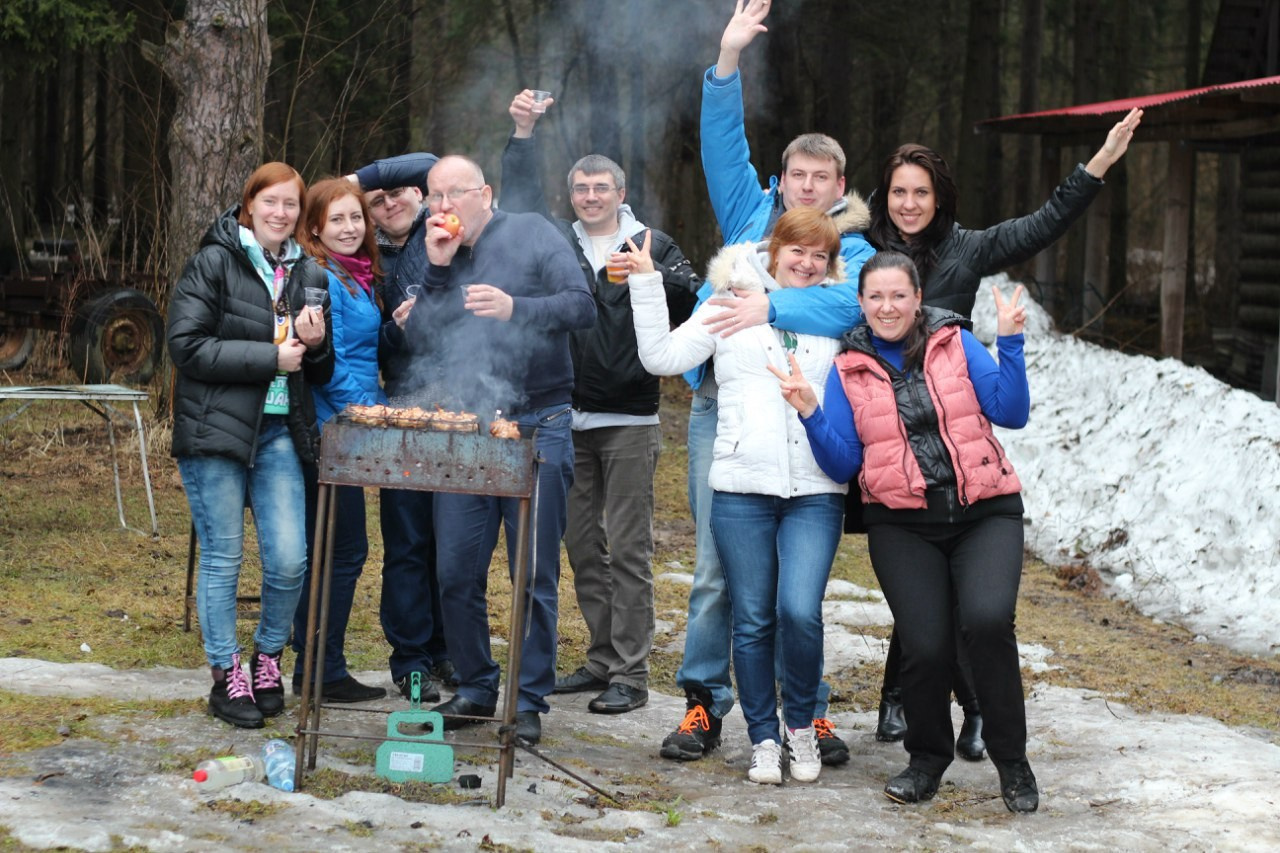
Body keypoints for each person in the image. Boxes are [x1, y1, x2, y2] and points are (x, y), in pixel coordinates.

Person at [865, 106, 1144, 749]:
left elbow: (1043, 223)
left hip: (954, 433)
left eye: (922, 192)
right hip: (885, 435)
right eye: (900, 192)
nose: (910, 204)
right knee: (921, 586)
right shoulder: (864, 252)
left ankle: (932, 703)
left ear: (940, 198)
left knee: (959, 586)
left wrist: (1097, 164)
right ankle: (916, 698)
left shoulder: (969, 249)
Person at [661, 0, 873, 768]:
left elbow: (854, 305)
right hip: (727, 410)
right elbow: (721, 147)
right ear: (781, 182)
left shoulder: (854, 246)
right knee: (722, 570)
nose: (807, 189)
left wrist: (770, 302)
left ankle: (804, 714)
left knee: (797, 590)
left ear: (840, 186)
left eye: (823, 179)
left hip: (807, 421)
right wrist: (727, 61)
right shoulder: (752, 213)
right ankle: (702, 703)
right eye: (797, 176)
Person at [773, 250, 1038, 812]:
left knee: (987, 622)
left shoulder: (956, 341)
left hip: (983, 512)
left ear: (918, 299)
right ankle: (926, 760)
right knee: (924, 643)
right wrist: (810, 412)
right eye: (875, 297)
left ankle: (1012, 762)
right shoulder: (848, 366)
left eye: (898, 295)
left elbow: (1011, 412)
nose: (887, 306)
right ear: (861, 303)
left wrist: (1009, 343)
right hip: (902, 523)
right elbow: (845, 465)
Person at [629, 207, 847, 785]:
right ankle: (764, 738)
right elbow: (662, 358)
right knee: (751, 619)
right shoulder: (728, 302)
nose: (805, 263)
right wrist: (648, 284)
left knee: (799, 612)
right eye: (795, 250)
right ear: (774, 250)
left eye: (818, 255)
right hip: (740, 489)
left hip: (815, 490)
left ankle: (801, 726)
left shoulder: (837, 311)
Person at [500, 90, 700, 715]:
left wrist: (650, 275)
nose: (591, 197)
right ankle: (600, 658)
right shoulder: (554, 241)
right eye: (581, 188)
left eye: (601, 188)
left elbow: (695, 304)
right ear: (571, 195)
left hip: (631, 419)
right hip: (562, 418)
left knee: (631, 549)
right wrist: (523, 137)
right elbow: (518, 203)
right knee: (583, 545)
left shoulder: (652, 243)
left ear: (620, 192)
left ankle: (632, 673)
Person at [401, 154, 596, 745]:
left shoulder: (534, 231)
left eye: (452, 195)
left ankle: (529, 697)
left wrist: (518, 309)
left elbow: (583, 305)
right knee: (455, 569)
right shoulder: (434, 249)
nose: (442, 209)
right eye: (433, 198)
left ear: (483, 193)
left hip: (541, 422)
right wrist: (435, 271)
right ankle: (478, 685)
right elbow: (425, 339)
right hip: (467, 427)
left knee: (532, 572)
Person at [167, 162, 334, 729]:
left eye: (291, 205)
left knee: (289, 559)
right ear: (250, 204)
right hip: (216, 429)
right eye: (271, 202)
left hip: (280, 431)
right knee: (223, 558)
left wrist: (313, 346)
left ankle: (267, 659)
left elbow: (320, 363)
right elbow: (186, 347)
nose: (281, 213)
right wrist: (271, 357)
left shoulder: (308, 271)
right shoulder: (214, 261)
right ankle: (226, 674)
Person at [345, 153, 457, 702]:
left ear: (421, 194)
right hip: (403, 410)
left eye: (397, 192)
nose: (388, 202)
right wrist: (393, 328)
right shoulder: (362, 261)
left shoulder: (443, 230)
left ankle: (448, 651)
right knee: (408, 543)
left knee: (454, 545)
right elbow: (371, 347)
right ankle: (410, 659)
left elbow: (433, 161)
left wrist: (358, 179)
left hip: (463, 408)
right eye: (375, 200)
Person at [288, 178, 388, 703]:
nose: (350, 229)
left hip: (349, 425)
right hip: (332, 429)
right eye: (338, 221)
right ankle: (320, 669)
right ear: (315, 228)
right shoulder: (321, 276)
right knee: (342, 550)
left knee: (332, 548)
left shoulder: (357, 276)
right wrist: (375, 412)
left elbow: (361, 353)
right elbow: (329, 366)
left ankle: (315, 661)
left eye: (357, 218)